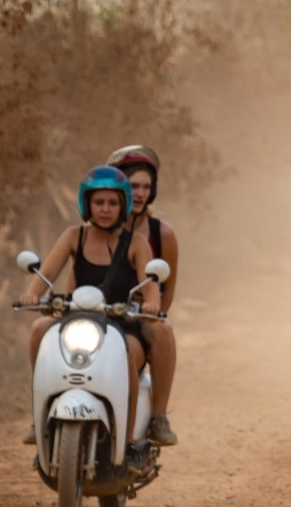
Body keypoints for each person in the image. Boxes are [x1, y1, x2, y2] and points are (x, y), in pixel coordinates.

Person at [20, 165, 160, 443]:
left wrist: (152, 304)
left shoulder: (137, 243)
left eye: (112, 203)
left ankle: (128, 439)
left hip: (121, 325)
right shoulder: (74, 236)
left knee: (129, 355)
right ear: (87, 204)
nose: (105, 209)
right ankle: (40, 418)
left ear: (124, 206)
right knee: (39, 329)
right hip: (77, 321)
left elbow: (151, 286)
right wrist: (32, 294)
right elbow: (46, 274)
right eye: (98, 203)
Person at [113, 145, 180, 447]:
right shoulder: (93, 231)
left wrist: (152, 312)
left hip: (140, 318)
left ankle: (158, 417)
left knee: (162, 328)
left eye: (145, 187)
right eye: (132, 186)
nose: (139, 193)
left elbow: (167, 290)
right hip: (101, 314)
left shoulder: (161, 233)